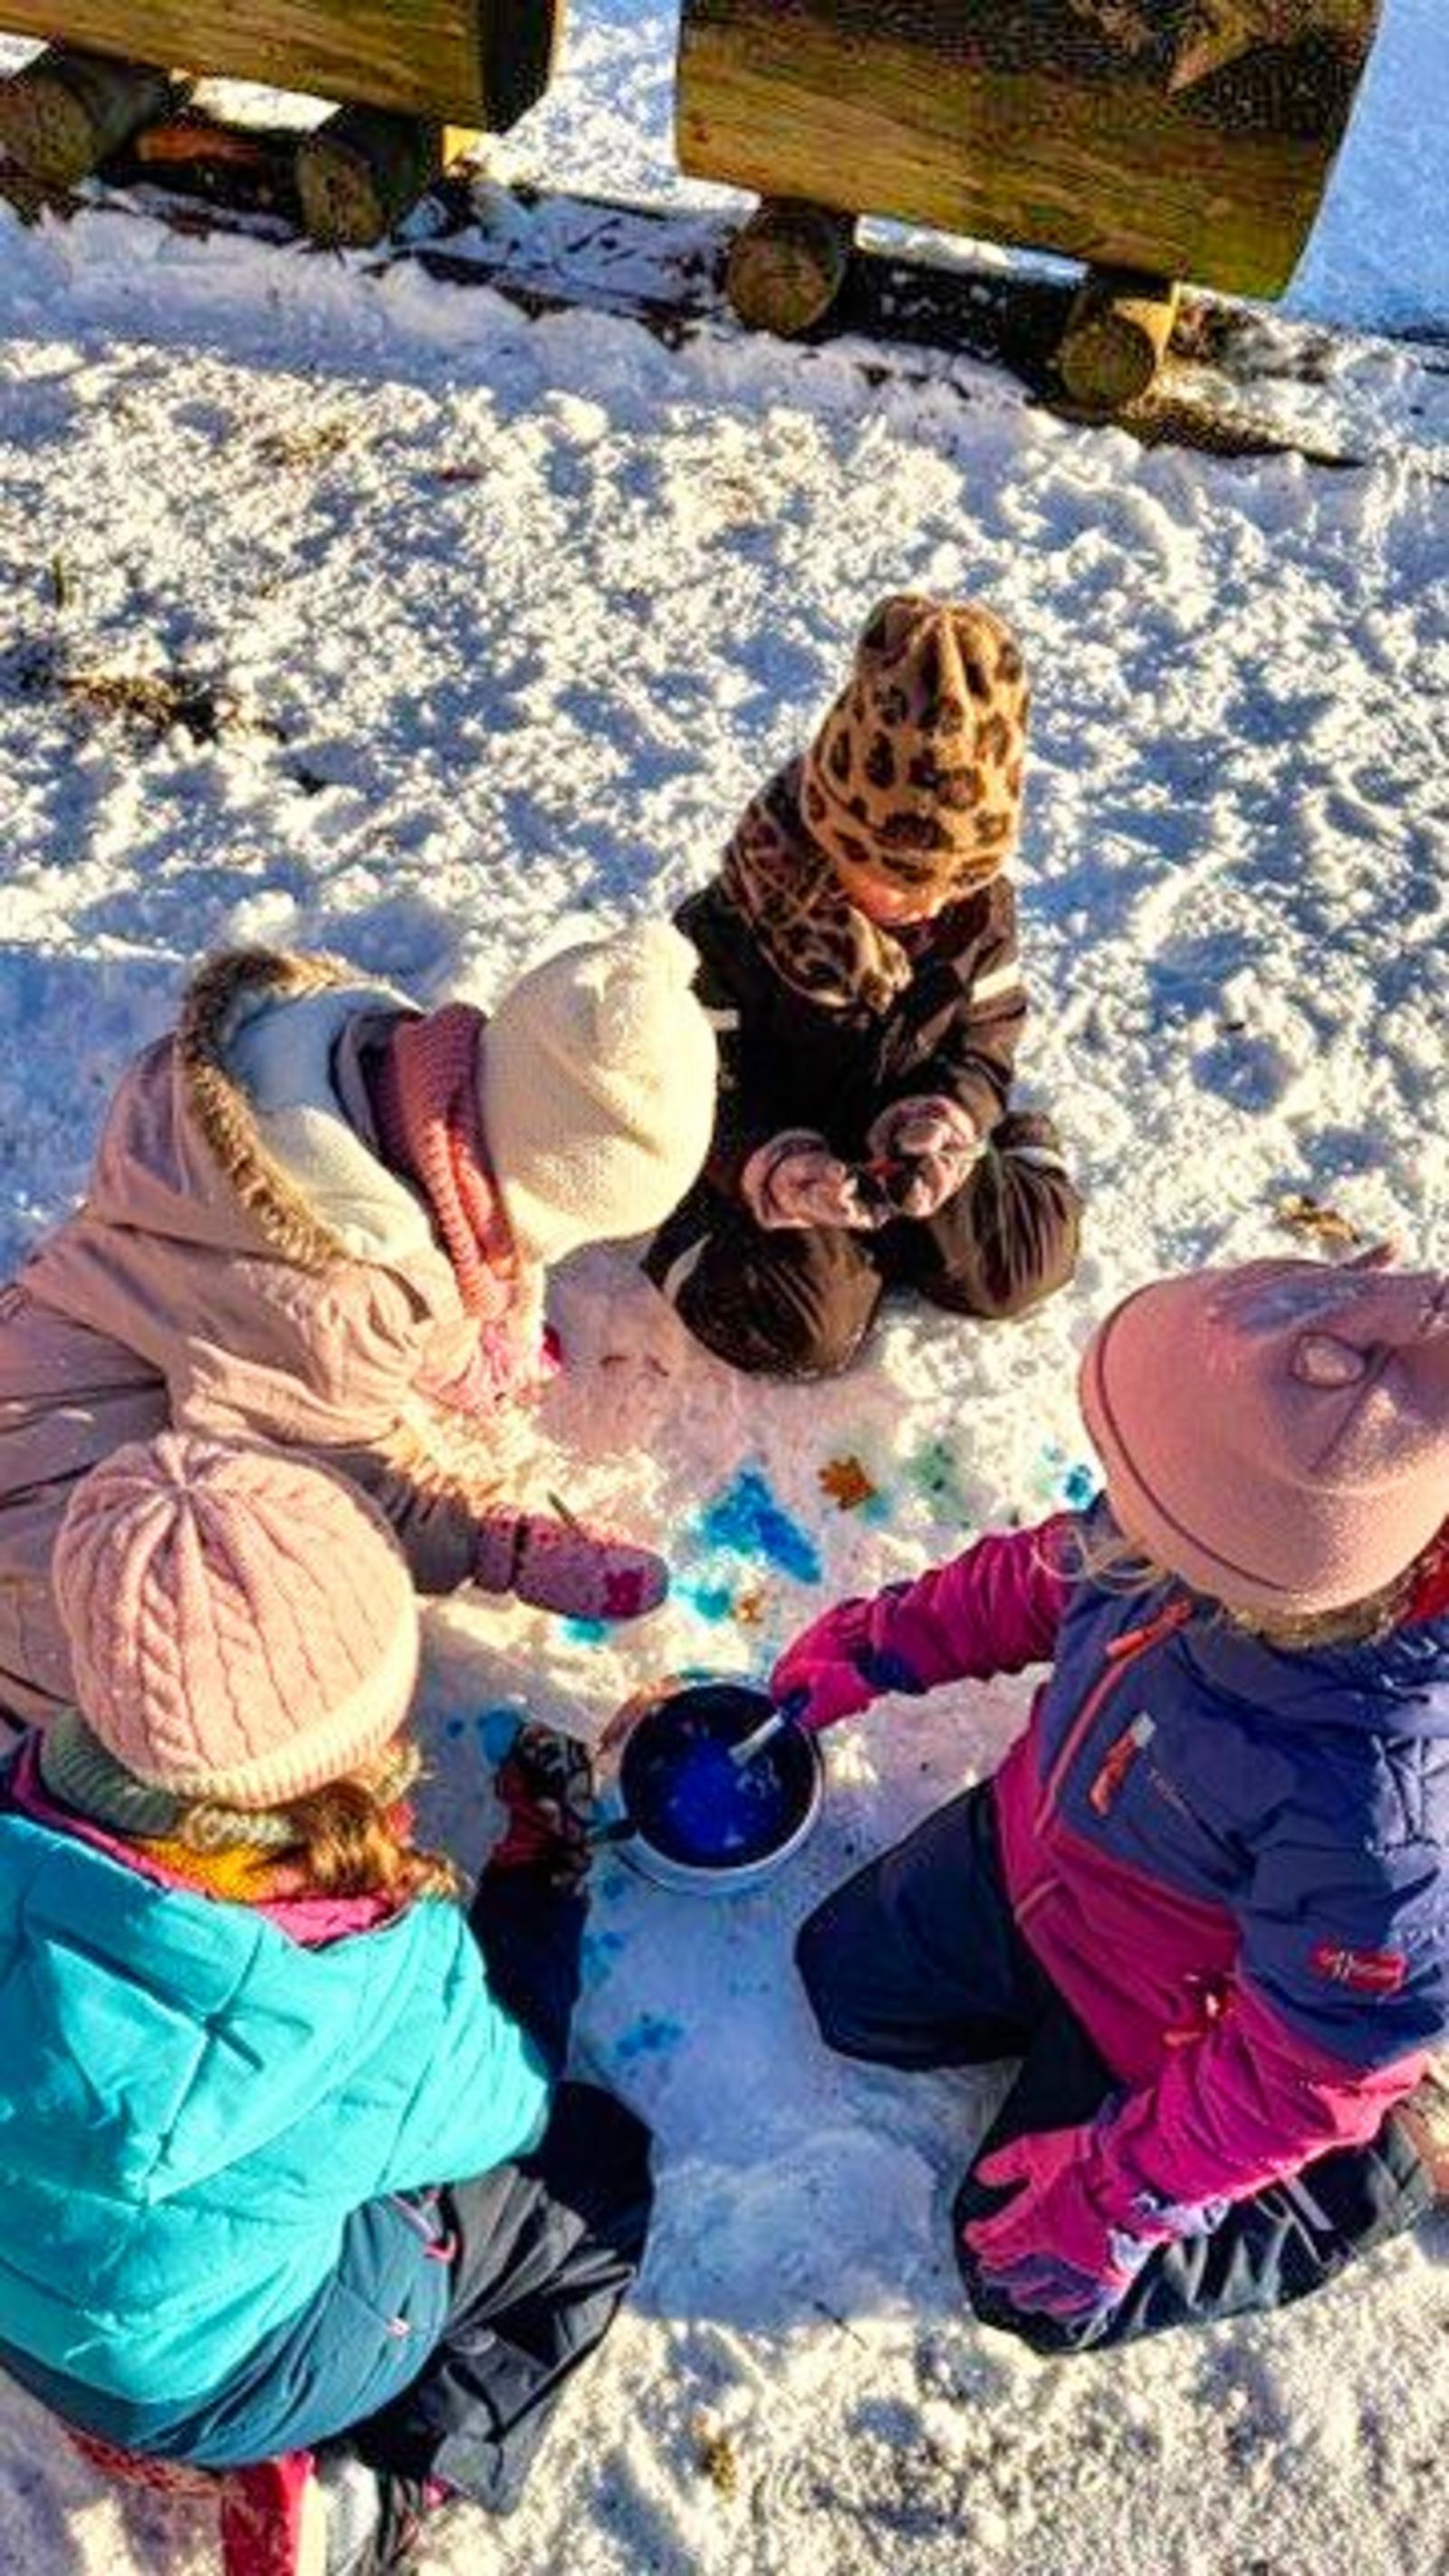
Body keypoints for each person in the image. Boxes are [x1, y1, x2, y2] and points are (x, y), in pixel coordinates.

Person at [0, 1432, 648, 2574]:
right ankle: (391, 2486)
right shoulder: (360, 1979)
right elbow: (511, 2099)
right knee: (591, 2177)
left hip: (29, 2313)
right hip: (219, 2374)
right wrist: (541, 1877)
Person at [773, 1255, 1449, 2350]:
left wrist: (1115, 2196)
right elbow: (1055, 1572)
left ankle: (1382, 2165)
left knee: (1019, 2271)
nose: (1117, 1515)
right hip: (1034, 1859)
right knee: (846, 1987)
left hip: (1165, 2017)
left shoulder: (1380, 1817)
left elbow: (1304, 2068)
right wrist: (884, 1640)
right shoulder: (1202, 1506)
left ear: (1261, 1573)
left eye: (1148, 1514)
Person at [0, 924, 717, 1722]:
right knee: (221, 1684)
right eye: (555, 1231)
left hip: (45, 1357)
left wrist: (473, 1341)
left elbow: (428, 1242)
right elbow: (341, 1474)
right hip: (50, 1519)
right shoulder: (332, 1301)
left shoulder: (361, 1065)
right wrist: (493, 1542)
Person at [645, 594, 1081, 1376]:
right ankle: (687, 1238)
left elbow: (989, 1033)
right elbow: (693, 1092)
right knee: (806, 1328)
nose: (930, 904)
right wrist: (768, 1164)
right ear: (829, 832)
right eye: (900, 881)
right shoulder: (730, 928)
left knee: (1024, 1264)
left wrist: (948, 1116)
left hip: (894, 1134)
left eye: (956, 881)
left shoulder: (973, 914)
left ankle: (1013, 1154)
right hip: (765, 1154)